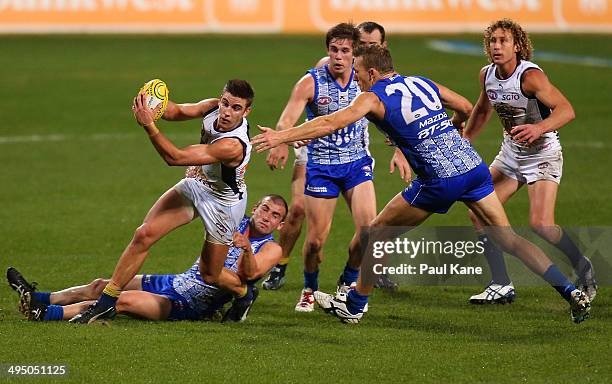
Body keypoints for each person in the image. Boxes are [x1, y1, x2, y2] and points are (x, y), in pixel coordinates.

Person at [252, 45, 592, 324]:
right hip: (471, 167)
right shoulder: (422, 82)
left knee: (375, 232)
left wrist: (281, 135)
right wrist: (453, 126)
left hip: (439, 180)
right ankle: (570, 292)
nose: (354, 76)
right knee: (508, 239)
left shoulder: (371, 97)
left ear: (371, 72)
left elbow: (329, 122)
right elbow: (462, 105)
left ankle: (355, 305)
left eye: (357, 71)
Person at [70, 79, 256, 324]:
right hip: (198, 184)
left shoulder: (233, 145)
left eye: (235, 108)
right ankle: (106, 303)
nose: (226, 112)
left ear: (246, 112)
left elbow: (175, 157)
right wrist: (152, 104)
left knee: (210, 274)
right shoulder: (212, 108)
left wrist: (149, 126)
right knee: (144, 234)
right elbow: (176, 111)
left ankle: (244, 292)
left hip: (224, 205)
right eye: (225, 103)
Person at [263, 21, 406, 292]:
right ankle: (281, 266)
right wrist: (283, 140)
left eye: (370, 46)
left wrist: (399, 147)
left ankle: (359, 274)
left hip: (354, 157)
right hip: (315, 149)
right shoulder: (320, 72)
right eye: (334, 50)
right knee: (298, 211)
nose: (340, 56)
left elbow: (389, 112)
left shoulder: (371, 76)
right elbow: (293, 116)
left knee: (370, 228)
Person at [463, 19, 596, 304]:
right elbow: (482, 110)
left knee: (542, 225)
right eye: (492, 41)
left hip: (542, 153)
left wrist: (538, 127)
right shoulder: (487, 74)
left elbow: (566, 110)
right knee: (478, 211)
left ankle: (581, 264)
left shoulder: (530, 77)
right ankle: (500, 284)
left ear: (518, 46)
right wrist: (464, 141)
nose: (496, 46)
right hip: (511, 154)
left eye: (503, 41)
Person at [8, 195, 287, 323]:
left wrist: (247, 248)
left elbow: (250, 276)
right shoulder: (235, 219)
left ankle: (45, 314)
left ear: (280, 225)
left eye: (275, 216)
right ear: (255, 208)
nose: (267, 217)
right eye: (265, 209)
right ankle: (40, 297)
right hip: (176, 281)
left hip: (186, 304)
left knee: (121, 302)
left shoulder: (271, 247)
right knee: (103, 285)